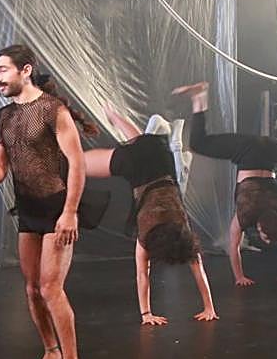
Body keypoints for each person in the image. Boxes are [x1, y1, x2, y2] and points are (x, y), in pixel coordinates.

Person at [0, 44, 108, 359]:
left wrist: (70, 212)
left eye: (3, 70)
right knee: (32, 289)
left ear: (26, 70)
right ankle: (51, 350)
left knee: (50, 288)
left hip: (56, 207)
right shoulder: (5, 117)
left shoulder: (52, 110)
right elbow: (0, 165)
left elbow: (77, 163)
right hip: (28, 210)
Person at [83, 105, 217, 324]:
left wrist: (209, 306)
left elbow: (197, 269)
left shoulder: (182, 228)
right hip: (136, 169)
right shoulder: (146, 237)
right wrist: (146, 314)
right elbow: (142, 275)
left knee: (142, 141)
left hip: (161, 158)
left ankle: (115, 115)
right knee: (77, 164)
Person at [173, 82, 277, 287]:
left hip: (273, 151)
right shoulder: (247, 213)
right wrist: (239, 277)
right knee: (198, 144)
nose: (266, 240)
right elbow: (233, 245)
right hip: (248, 152)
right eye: (265, 236)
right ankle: (198, 98)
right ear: (259, 226)